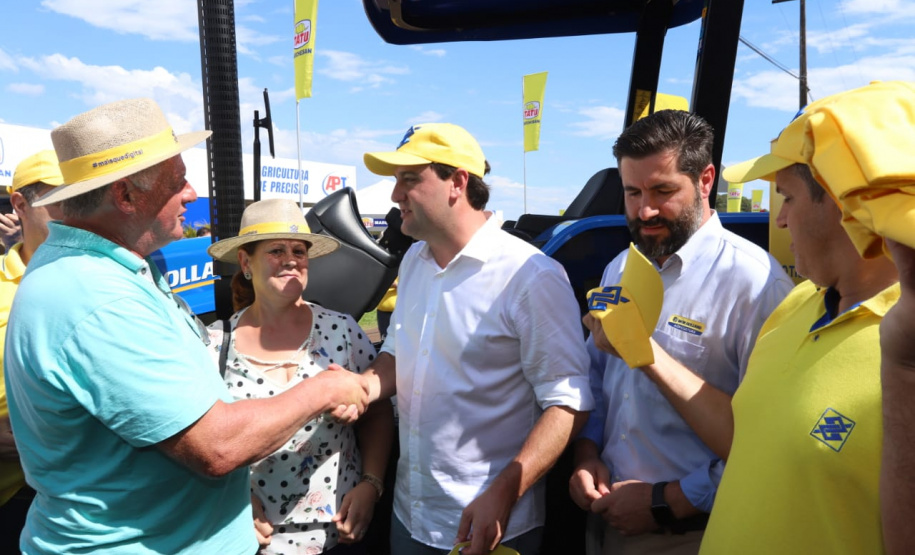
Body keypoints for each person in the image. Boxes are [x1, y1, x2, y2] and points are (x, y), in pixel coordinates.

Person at [3, 98, 370, 554]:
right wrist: (324, 390)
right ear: (125, 195)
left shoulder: (110, 274)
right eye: (177, 181)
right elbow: (217, 447)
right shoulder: (96, 296)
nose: (192, 193)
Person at [353, 123, 594, 555]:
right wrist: (362, 387)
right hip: (410, 515)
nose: (395, 195)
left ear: (457, 183)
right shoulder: (414, 260)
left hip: (491, 528)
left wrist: (506, 491)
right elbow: (397, 350)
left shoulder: (530, 276)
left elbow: (569, 402)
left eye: (409, 179)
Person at [569, 109, 793, 554]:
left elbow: (771, 441)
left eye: (663, 190)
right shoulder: (620, 268)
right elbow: (595, 379)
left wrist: (665, 502)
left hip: (693, 535)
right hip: (606, 523)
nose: (644, 209)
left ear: (706, 179)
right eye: (632, 192)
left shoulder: (756, 285)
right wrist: (587, 455)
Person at [699, 85, 902, 554]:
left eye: (787, 198)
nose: (781, 220)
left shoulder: (904, 349)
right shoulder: (796, 303)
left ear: (844, 202)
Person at [205, 198, 394, 554]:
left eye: (299, 251)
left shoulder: (342, 331)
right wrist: (232, 503)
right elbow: (198, 441)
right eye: (276, 250)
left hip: (341, 536)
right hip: (255, 540)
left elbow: (378, 410)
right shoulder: (215, 345)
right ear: (245, 263)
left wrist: (371, 484)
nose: (291, 259)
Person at [0, 150, 65, 551]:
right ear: (20, 204)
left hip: (88, 497)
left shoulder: (111, 283)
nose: (74, 212)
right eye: (58, 199)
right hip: (13, 501)